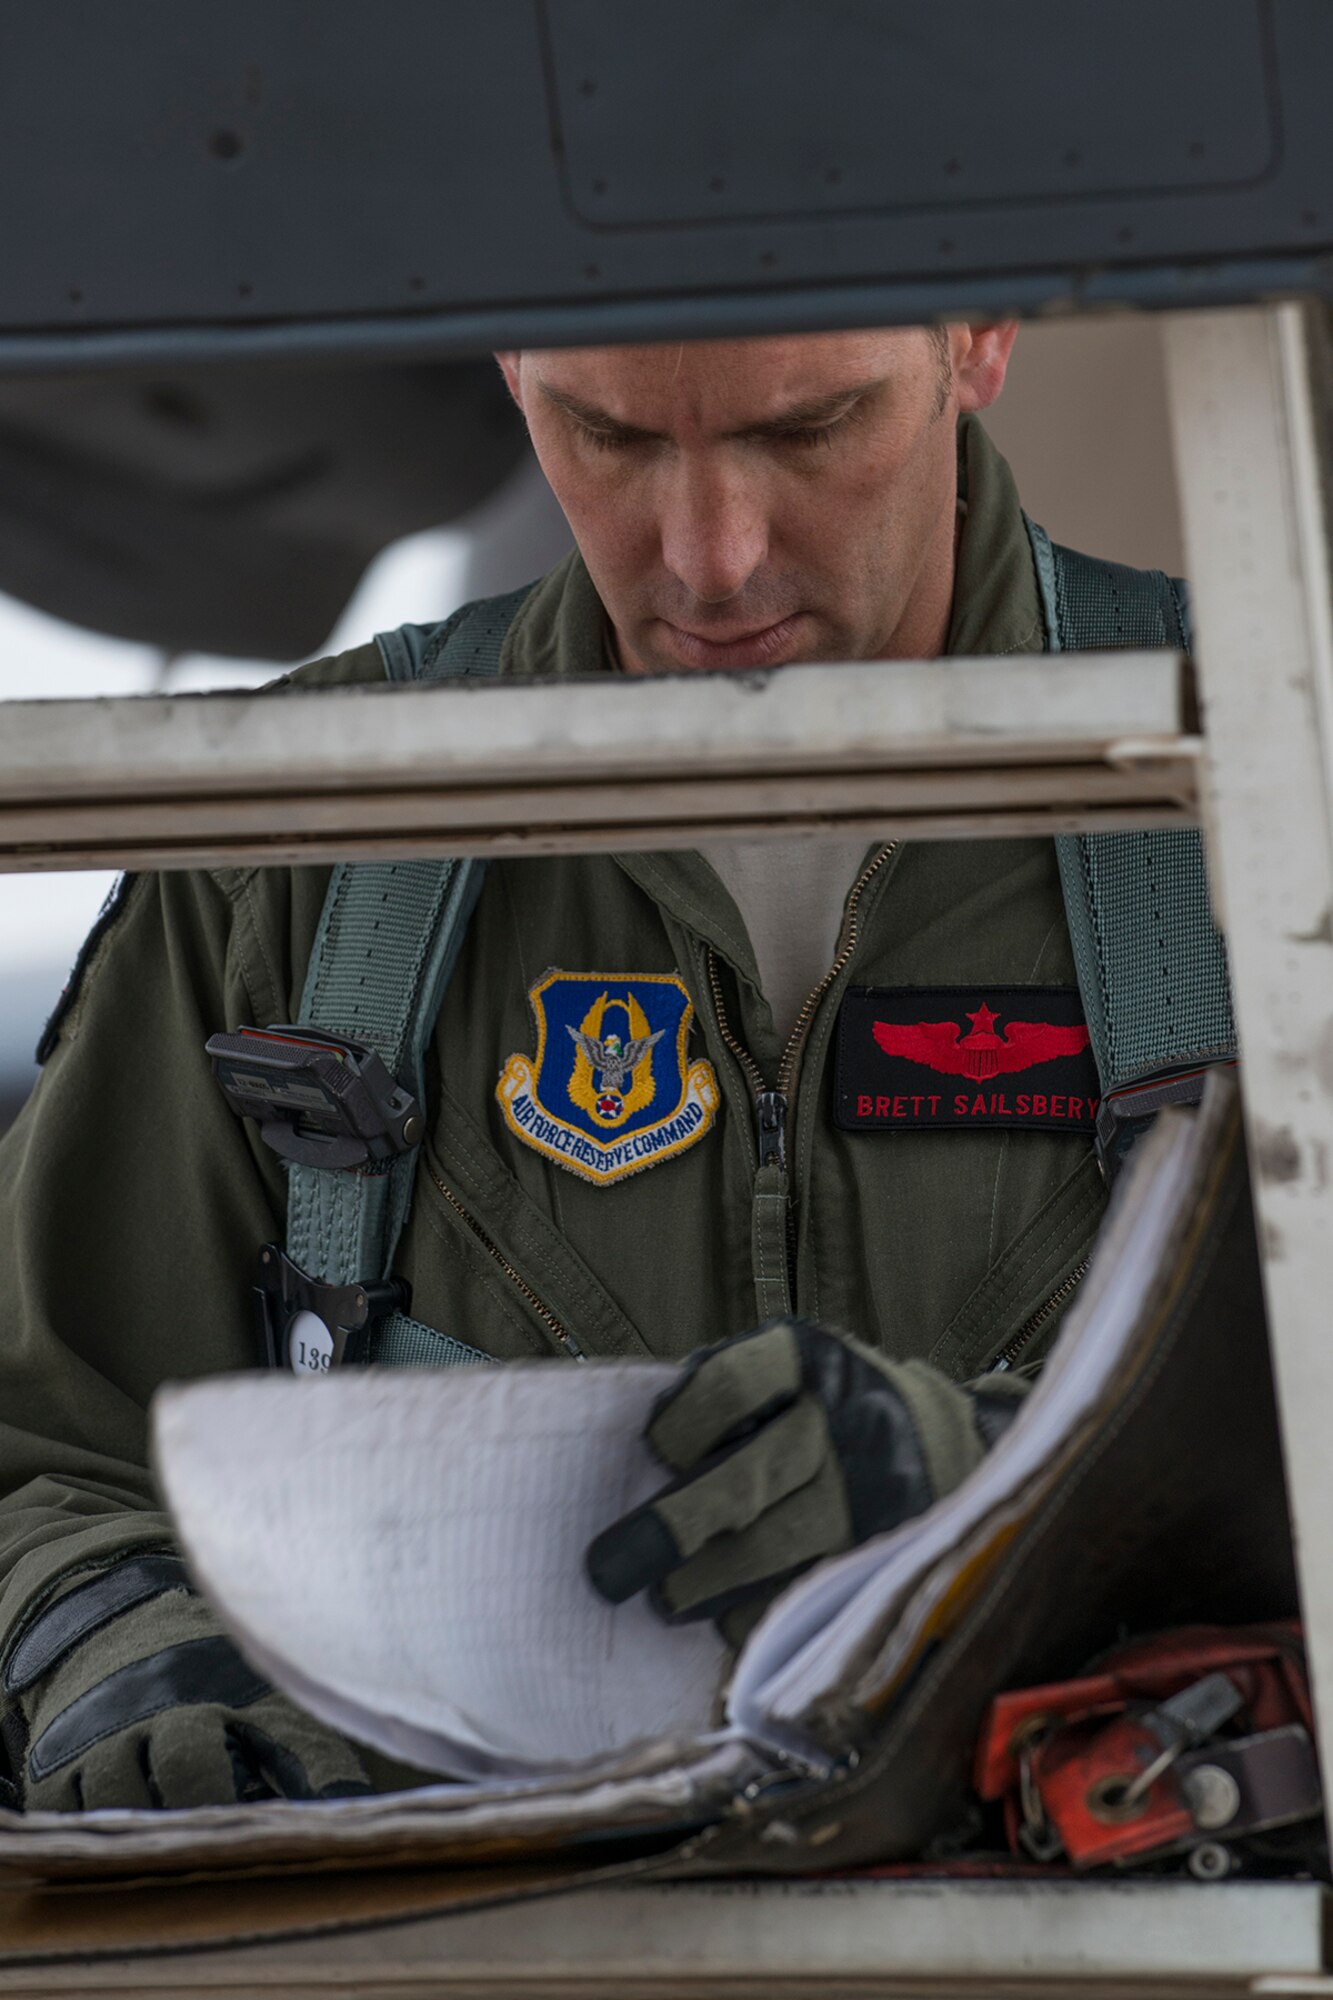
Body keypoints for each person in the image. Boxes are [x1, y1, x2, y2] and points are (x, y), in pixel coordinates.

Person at [0, 323, 1181, 1812]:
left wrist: (998, 1479)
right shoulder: (287, 844)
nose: (709, 558)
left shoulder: (1258, 799)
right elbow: (48, 1447)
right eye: (607, 438)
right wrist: (148, 1673)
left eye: (808, 428)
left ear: (979, 337)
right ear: (506, 370)